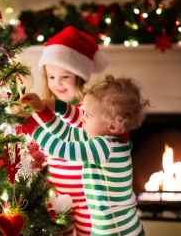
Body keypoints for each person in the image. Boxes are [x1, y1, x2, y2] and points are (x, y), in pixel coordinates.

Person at [20, 74, 149, 236]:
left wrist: (30, 124)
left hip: (116, 231)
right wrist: (44, 111)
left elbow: (60, 148)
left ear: (114, 125)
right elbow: (68, 134)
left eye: (87, 115)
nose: (82, 119)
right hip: (111, 228)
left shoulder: (105, 148)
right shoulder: (109, 140)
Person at [17, 26, 108, 236]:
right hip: (56, 192)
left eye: (64, 77)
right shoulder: (42, 110)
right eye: (51, 77)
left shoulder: (88, 110)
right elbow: (38, 147)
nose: (57, 83)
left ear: (79, 77)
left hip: (87, 194)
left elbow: (77, 135)